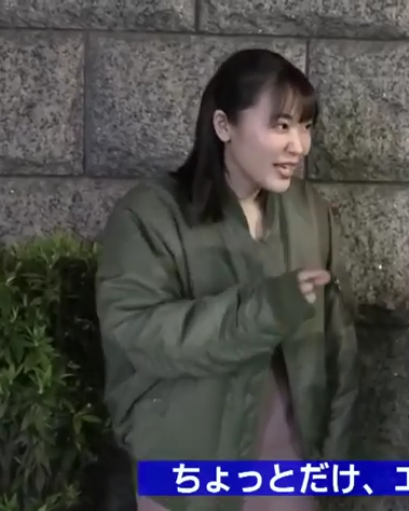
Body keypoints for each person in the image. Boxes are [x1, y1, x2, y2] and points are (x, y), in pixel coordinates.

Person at [95, 49, 359, 511]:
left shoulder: (310, 213)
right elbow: (137, 332)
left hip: (294, 473)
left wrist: (333, 459)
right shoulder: (149, 216)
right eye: (281, 125)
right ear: (223, 126)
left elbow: (339, 346)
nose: (299, 145)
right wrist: (263, 310)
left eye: (305, 126)